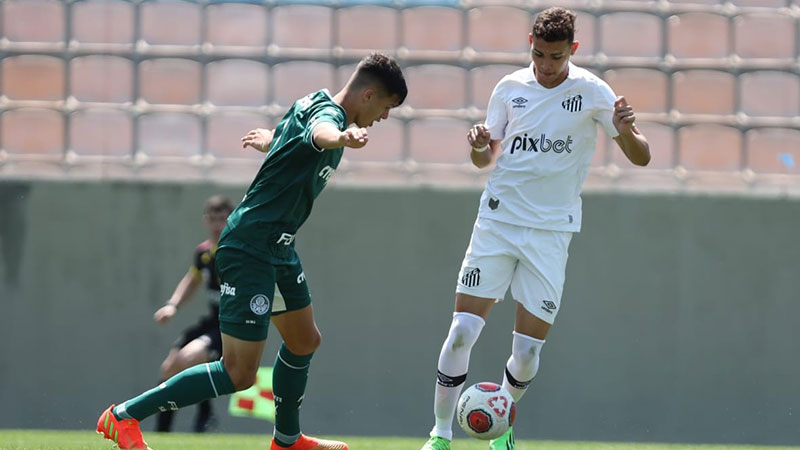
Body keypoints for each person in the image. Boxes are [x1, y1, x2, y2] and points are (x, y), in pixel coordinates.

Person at [96, 52, 408, 450]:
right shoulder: (330, 120)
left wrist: (271, 141)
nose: (384, 117)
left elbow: (296, 140)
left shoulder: (310, 100)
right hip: (250, 247)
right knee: (238, 373)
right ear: (368, 95)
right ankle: (123, 416)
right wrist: (342, 137)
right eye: (386, 107)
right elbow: (319, 134)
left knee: (304, 341)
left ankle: (287, 440)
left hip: (278, 247)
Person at [420, 7, 650, 450]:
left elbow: (640, 157)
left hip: (550, 233)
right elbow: (485, 160)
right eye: (540, 54)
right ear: (530, 43)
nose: (546, 65)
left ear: (573, 51)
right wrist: (480, 147)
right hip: (498, 222)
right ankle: (440, 434)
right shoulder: (509, 88)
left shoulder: (594, 93)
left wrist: (626, 132)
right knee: (462, 330)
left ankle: (501, 428)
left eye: (557, 57)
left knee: (527, 353)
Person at [152, 195, 233, 433]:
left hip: (230, 326)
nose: (218, 225)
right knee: (169, 368)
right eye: (213, 219)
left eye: (223, 219)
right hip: (210, 322)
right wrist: (172, 305)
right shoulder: (204, 253)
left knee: (189, 359)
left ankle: (205, 413)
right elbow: (193, 279)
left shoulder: (238, 248)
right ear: (206, 220)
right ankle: (162, 434)